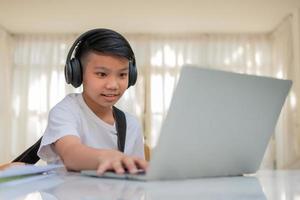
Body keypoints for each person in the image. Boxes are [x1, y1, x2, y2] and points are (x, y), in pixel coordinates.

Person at [37, 28, 148, 174]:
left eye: (122, 74)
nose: (113, 85)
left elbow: (136, 176)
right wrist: (107, 156)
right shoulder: (66, 111)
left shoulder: (131, 125)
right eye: (102, 74)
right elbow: (71, 154)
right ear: (77, 73)